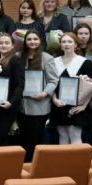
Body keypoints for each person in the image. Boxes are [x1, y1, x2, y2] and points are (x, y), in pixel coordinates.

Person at [18, 29, 59, 162]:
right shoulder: (18, 56)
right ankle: (25, 166)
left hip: (39, 105)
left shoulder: (47, 58)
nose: (32, 42)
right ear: (25, 41)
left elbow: (53, 80)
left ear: (40, 41)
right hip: (22, 106)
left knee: (36, 140)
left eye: (35, 39)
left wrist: (45, 93)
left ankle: (37, 166)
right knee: (24, 140)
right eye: (29, 39)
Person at [50, 32, 92, 145]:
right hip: (59, 104)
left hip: (77, 106)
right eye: (64, 42)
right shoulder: (54, 62)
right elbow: (50, 84)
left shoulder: (85, 62)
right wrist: (54, 100)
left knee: (75, 135)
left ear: (75, 44)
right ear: (60, 45)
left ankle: (77, 158)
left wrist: (84, 105)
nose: (66, 44)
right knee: (62, 135)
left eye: (70, 42)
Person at [0, 33, 25, 146]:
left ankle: (3, 157)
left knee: (1, 136)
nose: (3, 45)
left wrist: (11, 102)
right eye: (1, 43)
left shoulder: (16, 60)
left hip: (7, 106)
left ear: (13, 45)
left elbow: (19, 85)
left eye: (7, 43)